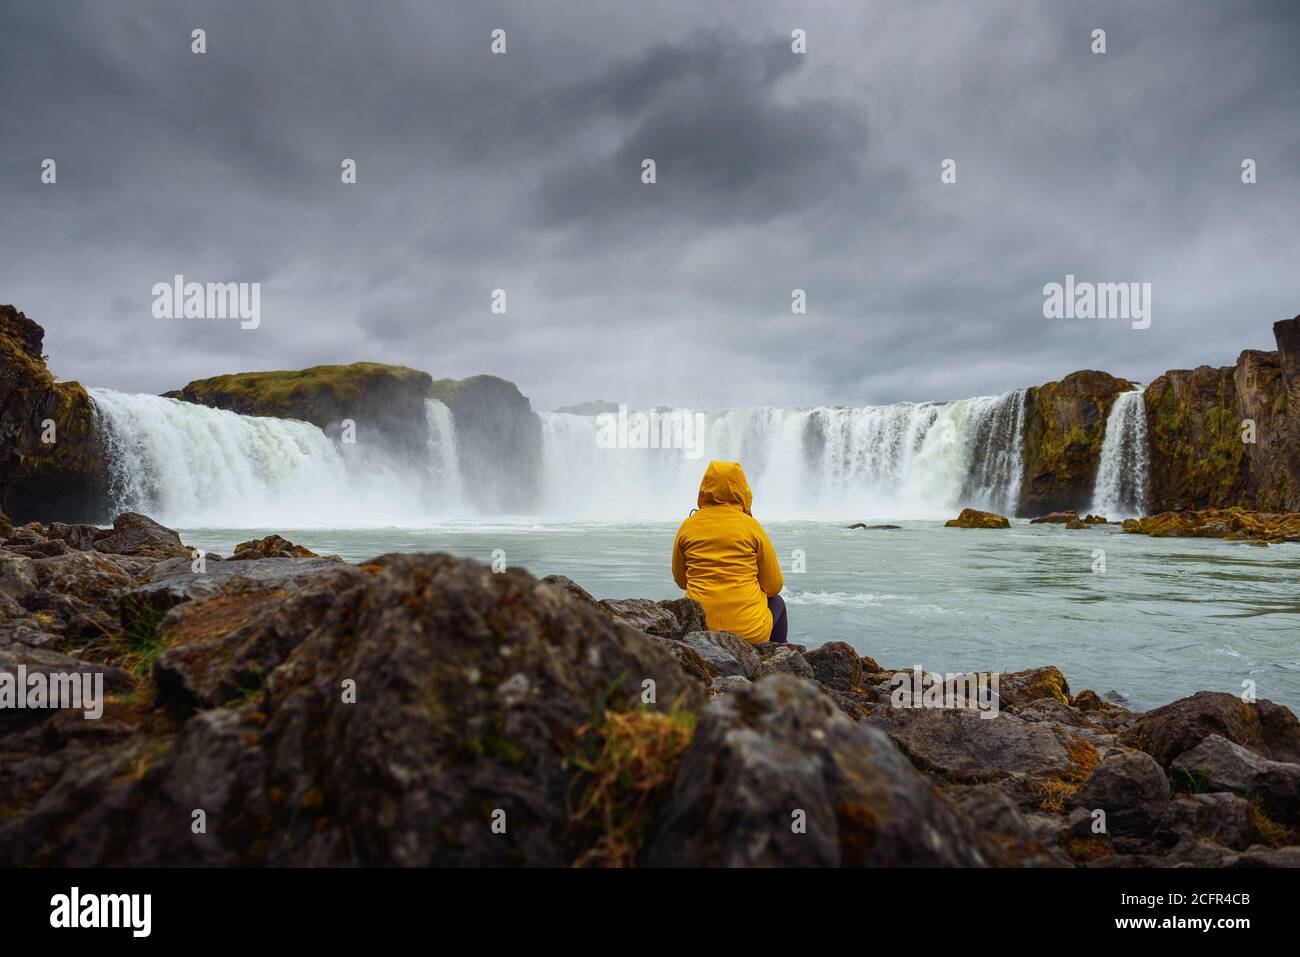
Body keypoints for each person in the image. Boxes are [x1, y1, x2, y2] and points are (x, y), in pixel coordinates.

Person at [671, 460, 788, 644]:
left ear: (705, 487)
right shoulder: (751, 526)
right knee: (777, 602)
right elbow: (774, 586)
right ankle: (777, 661)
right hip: (750, 632)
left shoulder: (688, 527)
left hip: (701, 629)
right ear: (742, 489)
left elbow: (681, 580)